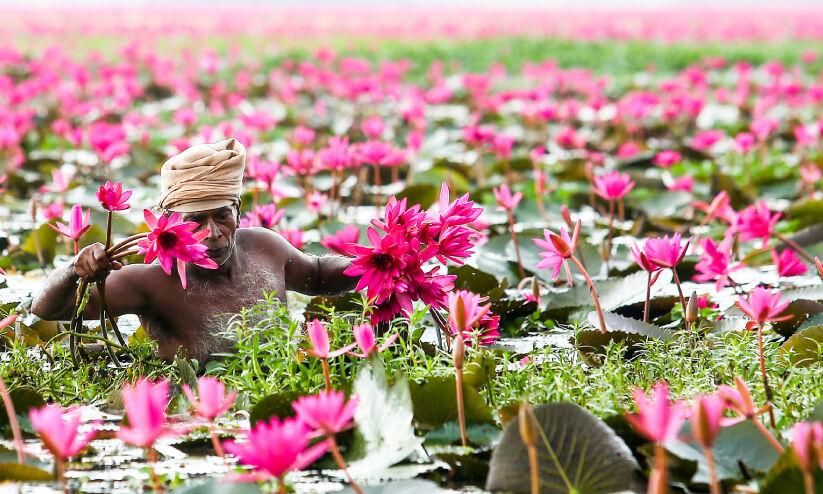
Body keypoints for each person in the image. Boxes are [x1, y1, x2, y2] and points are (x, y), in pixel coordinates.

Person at [31, 138, 357, 363]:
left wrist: (373, 265)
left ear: (238, 212)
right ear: (171, 222)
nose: (213, 233)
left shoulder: (264, 245)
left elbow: (316, 274)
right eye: (197, 221)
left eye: (222, 216)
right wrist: (75, 269)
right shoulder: (151, 281)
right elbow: (47, 309)